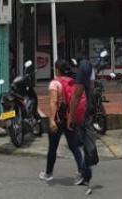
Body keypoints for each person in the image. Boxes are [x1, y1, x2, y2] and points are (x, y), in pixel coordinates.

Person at [39, 60, 91, 192]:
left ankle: (48, 174)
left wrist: (51, 120)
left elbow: (53, 102)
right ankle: (82, 173)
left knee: (53, 148)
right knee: (74, 147)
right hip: (70, 118)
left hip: (58, 119)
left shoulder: (55, 83)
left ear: (57, 70)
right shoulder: (73, 82)